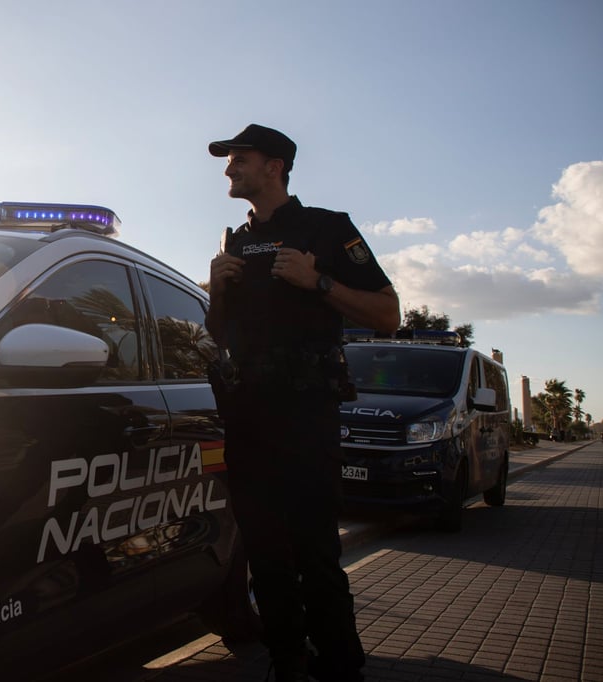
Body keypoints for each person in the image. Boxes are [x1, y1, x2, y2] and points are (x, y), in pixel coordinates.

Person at [205, 124, 400, 682]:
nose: (229, 169)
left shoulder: (326, 228)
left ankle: (340, 666)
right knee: (264, 554)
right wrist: (216, 289)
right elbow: (219, 335)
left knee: (315, 551)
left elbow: (389, 315)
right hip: (247, 415)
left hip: (306, 414)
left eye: (239, 158)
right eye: (228, 160)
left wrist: (318, 284)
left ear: (275, 166)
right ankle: (287, 662)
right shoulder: (234, 241)